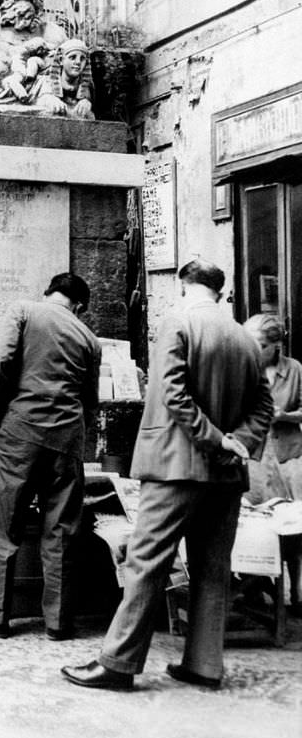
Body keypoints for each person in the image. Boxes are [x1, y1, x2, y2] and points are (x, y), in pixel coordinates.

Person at [61, 259, 273, 690]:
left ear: (184, 285)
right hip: (228, 475)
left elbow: (172, 394)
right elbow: (263, 407)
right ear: (220, 291)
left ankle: (118, 664)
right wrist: (238, 443)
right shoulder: (245, 339)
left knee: (146, 564)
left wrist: (214, 439)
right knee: (213, 570)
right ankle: (204, 665)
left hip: (176, 467)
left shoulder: (177, 324)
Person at [0, 272, 101, 640]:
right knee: (61, 530)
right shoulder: (89, 339)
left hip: (18, 432)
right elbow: (90, 401)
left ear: (48, 292)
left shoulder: (24, 312)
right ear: (79, 306)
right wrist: (72, 434)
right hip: (66, 439)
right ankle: (58, 622)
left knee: (4, 524)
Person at [243, 314, 302, 615]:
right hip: (254, 454)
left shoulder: (294, 370)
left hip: (287, 454)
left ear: (276, 345)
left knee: (292, 525)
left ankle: (297, 594)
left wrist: (286, 416)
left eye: (262, 345)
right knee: (254, 524)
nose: (255, 350)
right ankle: (253, 588)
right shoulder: (243, 366)